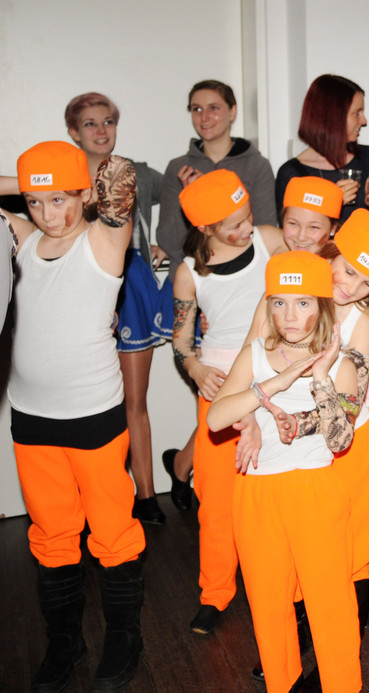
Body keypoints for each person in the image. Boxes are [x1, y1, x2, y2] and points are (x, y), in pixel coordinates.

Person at [238, 204, 369, 684]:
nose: (351, 287)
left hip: (345, 441)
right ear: (330, 251)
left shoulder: (363, 316)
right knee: (290, 552)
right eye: (347, 271)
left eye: (366, 283)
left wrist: (291, 421)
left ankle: (338, 659)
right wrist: (250, 420)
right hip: (282, 441)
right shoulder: (287, 289)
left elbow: (346, 409)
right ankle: (295, 640)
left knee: (351, 552)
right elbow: (248, 366)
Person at [5, 142, 145, 690]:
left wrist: (66, 182)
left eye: (60, 199)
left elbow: (121, 172)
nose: (48, 214)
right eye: (35, 202)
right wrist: (28, 184)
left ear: (85, 194)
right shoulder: (22, 239)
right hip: (31, 419)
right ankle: (64, 641)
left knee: (112, 533)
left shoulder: (103, 240)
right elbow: (31, 207)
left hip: (93, 418)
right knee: (51, 535)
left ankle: (124, 637)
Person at [206, 250, 363, 693]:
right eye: (279, 302)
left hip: (316, 490)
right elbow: (215, 419)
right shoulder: (255, 354)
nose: (289, 316)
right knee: (269, 605)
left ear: (322, 306)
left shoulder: (342, 363)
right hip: (257, 492)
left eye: (302, 303)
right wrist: (273, 384)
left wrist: (320, 374)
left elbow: (340, 440)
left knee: (330, 604)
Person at [172, 169, 284, 636]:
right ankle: (215, 592)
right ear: (205, 228)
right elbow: (181, 339)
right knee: (216, 501)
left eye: (248, 216)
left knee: (273, 497)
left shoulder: (271, 242)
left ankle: (281, 590)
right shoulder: (189, 273)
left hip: (273, 383)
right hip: (219, 392)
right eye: (235, 224)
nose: (247, 228)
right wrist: (195, 368)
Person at [64, 91, 168, 525]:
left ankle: (146, 496)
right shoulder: (63, 177)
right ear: (74, 132)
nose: (101, 130)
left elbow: (185, 193)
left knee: (134, 401)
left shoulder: (138, 172)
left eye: (108, 121)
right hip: (79, 290)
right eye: (90, 123)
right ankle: (95, 502)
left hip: (132, 285)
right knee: (86, 405)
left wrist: (166, 242)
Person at [157, 79, 276, 276]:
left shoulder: (257, 165)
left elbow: (263, 233)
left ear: (232, 112)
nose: (204, 117)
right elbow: (169, 241)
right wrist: (191, 197)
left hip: (242, 277)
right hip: (190, 279)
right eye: (197, 109)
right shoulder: (178, 168)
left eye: (214, 108)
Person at [275, 74, 369, 226]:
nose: (364, 121)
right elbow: (295, 235)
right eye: (357, 113)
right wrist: (332, 203)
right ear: (334, 116)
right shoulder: (292, 173)